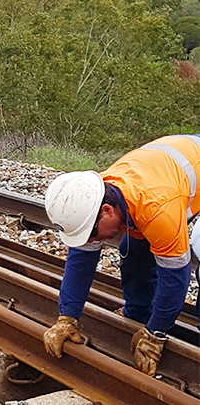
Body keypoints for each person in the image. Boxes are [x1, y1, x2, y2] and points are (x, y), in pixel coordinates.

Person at [42, 135, 199, 377]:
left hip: (172, 184)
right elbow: (80, 262)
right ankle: (138, 316)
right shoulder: (94, 196)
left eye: (91, 235)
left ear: (107, 211)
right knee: (133, 250)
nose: (92, 241)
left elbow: (176, 278)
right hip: (166, 172)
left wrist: (156, 335)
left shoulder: (157, 211)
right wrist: (67, 317)